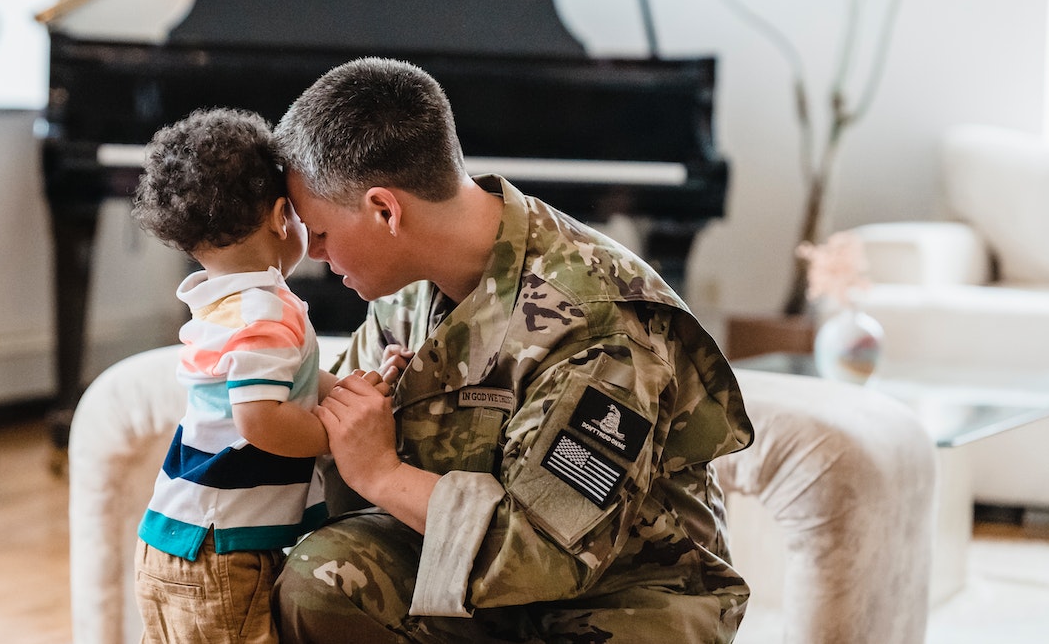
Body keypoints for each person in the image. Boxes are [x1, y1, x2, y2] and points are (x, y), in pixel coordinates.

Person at [270, 58, 756, 643]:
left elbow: (545, 548)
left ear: (385, 210)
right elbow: (330, 450)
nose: (315, 255)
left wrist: (382, 473)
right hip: (474, 586)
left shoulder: (601, 323)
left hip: (625, 600)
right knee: (321, 579)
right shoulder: (407, 295)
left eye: (319, 232)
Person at [130, 107, 392, 644]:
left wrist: (352, 392)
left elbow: (297, 378)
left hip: (180, 542)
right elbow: (258, 419)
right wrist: (340, 434)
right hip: (222, 553)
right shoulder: (266, 312)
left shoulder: (221, 305)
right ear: (280, 218)